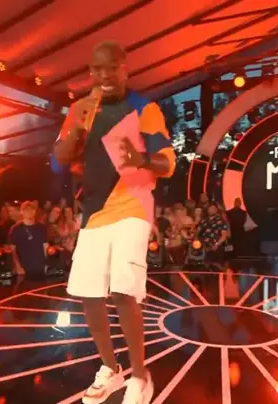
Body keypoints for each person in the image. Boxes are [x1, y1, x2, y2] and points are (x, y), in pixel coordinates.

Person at [52, 41, 175, 404]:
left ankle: (139, 376)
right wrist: (78, 125)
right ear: (90, 72)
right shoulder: (80, 108)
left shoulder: (143, 108)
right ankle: (110, 369)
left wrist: (143, 160)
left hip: (133, 203)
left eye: (111, 68)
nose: (104, 75)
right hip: (94, 211)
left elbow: (167, 162)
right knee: (89, 292)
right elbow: (59, 160)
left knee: (123, 290)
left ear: (124, 69)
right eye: (97, 69)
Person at [8, 201, 47, 278]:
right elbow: (12, 250)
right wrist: (18, 266)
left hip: (39, 268)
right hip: (23, 269)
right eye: (26, 210)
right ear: (21, 212)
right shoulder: (15, 229)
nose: (29, 212)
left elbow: (45, 247)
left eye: (32, 210)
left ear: (35, 212)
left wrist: (46, 264)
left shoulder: (41, 228)